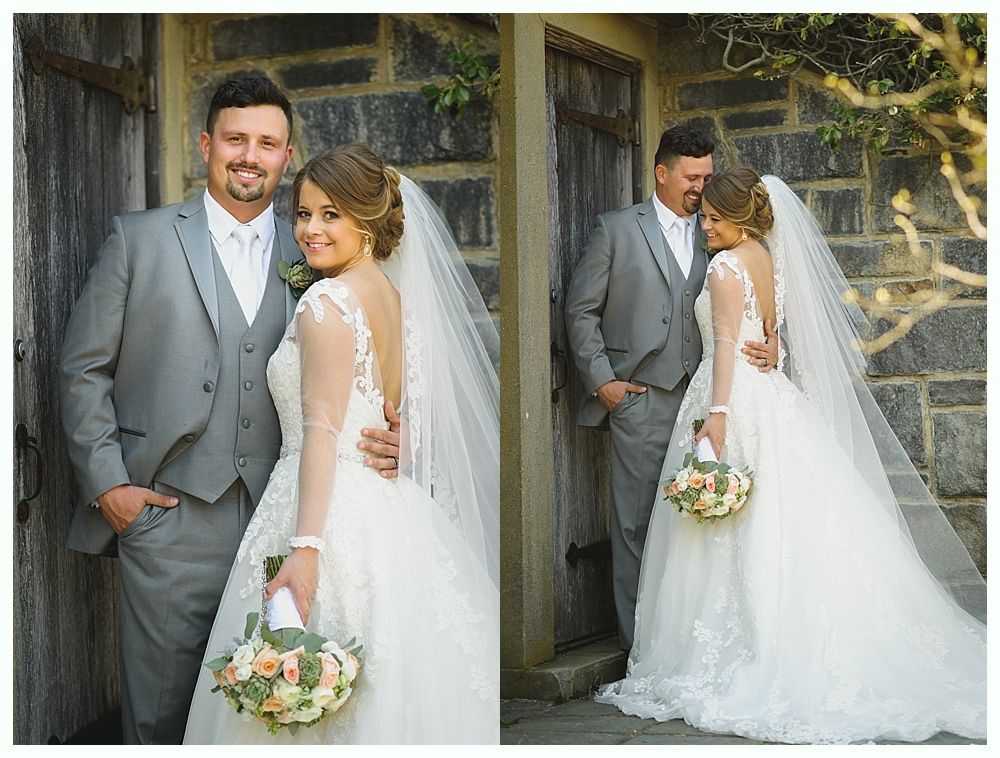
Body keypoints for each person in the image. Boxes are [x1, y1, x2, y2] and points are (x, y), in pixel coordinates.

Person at [59, 78, 400, 745]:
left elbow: (367, 359)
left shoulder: (314, 248)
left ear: (286, 155)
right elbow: (83, 368)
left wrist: (397, 431)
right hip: (169, 518)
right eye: (236, 139)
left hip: (285, 522)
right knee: (161, 716)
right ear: (206, 144)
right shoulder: (139, 239)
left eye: (267, 143)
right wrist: (110, 487)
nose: (250, 155)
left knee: (272, 717)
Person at [595, 167, 986, 743]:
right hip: (770, 395)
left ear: (739, 217)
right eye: (704, 217)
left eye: (714, 218)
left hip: (732, 397)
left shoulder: (725, 267)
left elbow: (725, 345)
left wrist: (718, 415)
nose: (705, 227)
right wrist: (773, 346)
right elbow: (770, 327)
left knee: (737, 519)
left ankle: (751, 647)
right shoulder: (765, 257)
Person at [183, 144, 500, 744]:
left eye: (331, 214)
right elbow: (395, 407)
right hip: (389, 505)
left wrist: (305, 551)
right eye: (304, 213)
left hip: (326, 511)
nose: (311, 229)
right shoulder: (396, 299)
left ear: (368, 220)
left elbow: (323, 432)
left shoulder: (327, 302)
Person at [564, 127, 778, 649]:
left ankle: (686, 646)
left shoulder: (720, 232)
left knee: (700, 529)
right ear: (662, 173)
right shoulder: (616, 229)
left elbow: (750, 311)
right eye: (692, 177)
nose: (702, 187)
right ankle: (638, 647)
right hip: (641, 398)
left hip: (708, 399)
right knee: (637, 525)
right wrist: (604, 383)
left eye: (707, 176)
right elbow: (580, 311)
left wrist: (773, 348)